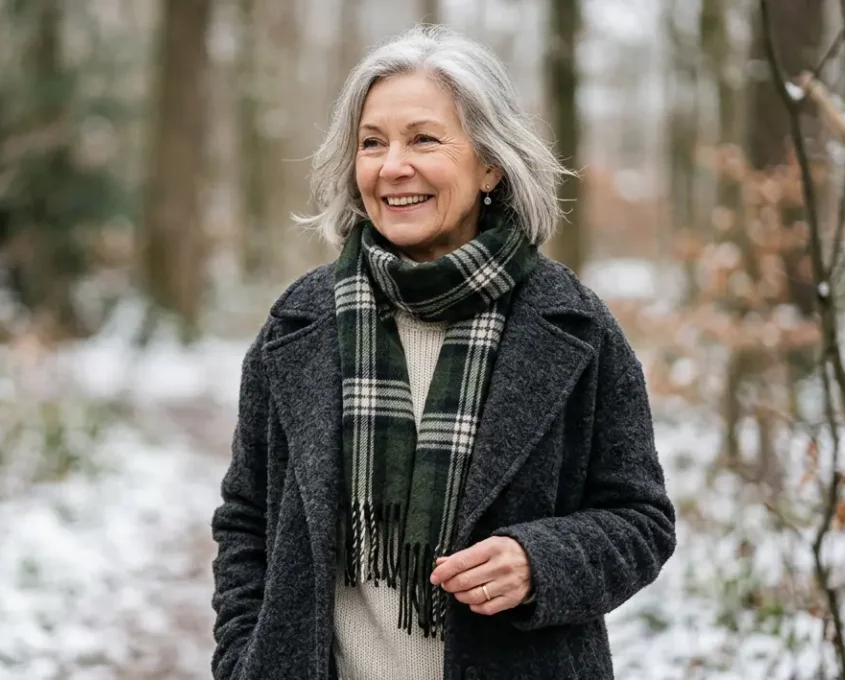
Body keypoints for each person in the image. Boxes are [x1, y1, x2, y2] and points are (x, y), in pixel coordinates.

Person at [209, 24, 676, 680]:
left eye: (423, 138)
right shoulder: (299, 323)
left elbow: (641, 521)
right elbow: (246, 523)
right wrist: (241, 660)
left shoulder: (575, 326)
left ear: (490, 162)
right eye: (372, 143)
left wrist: (539, 562)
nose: (392, 166)